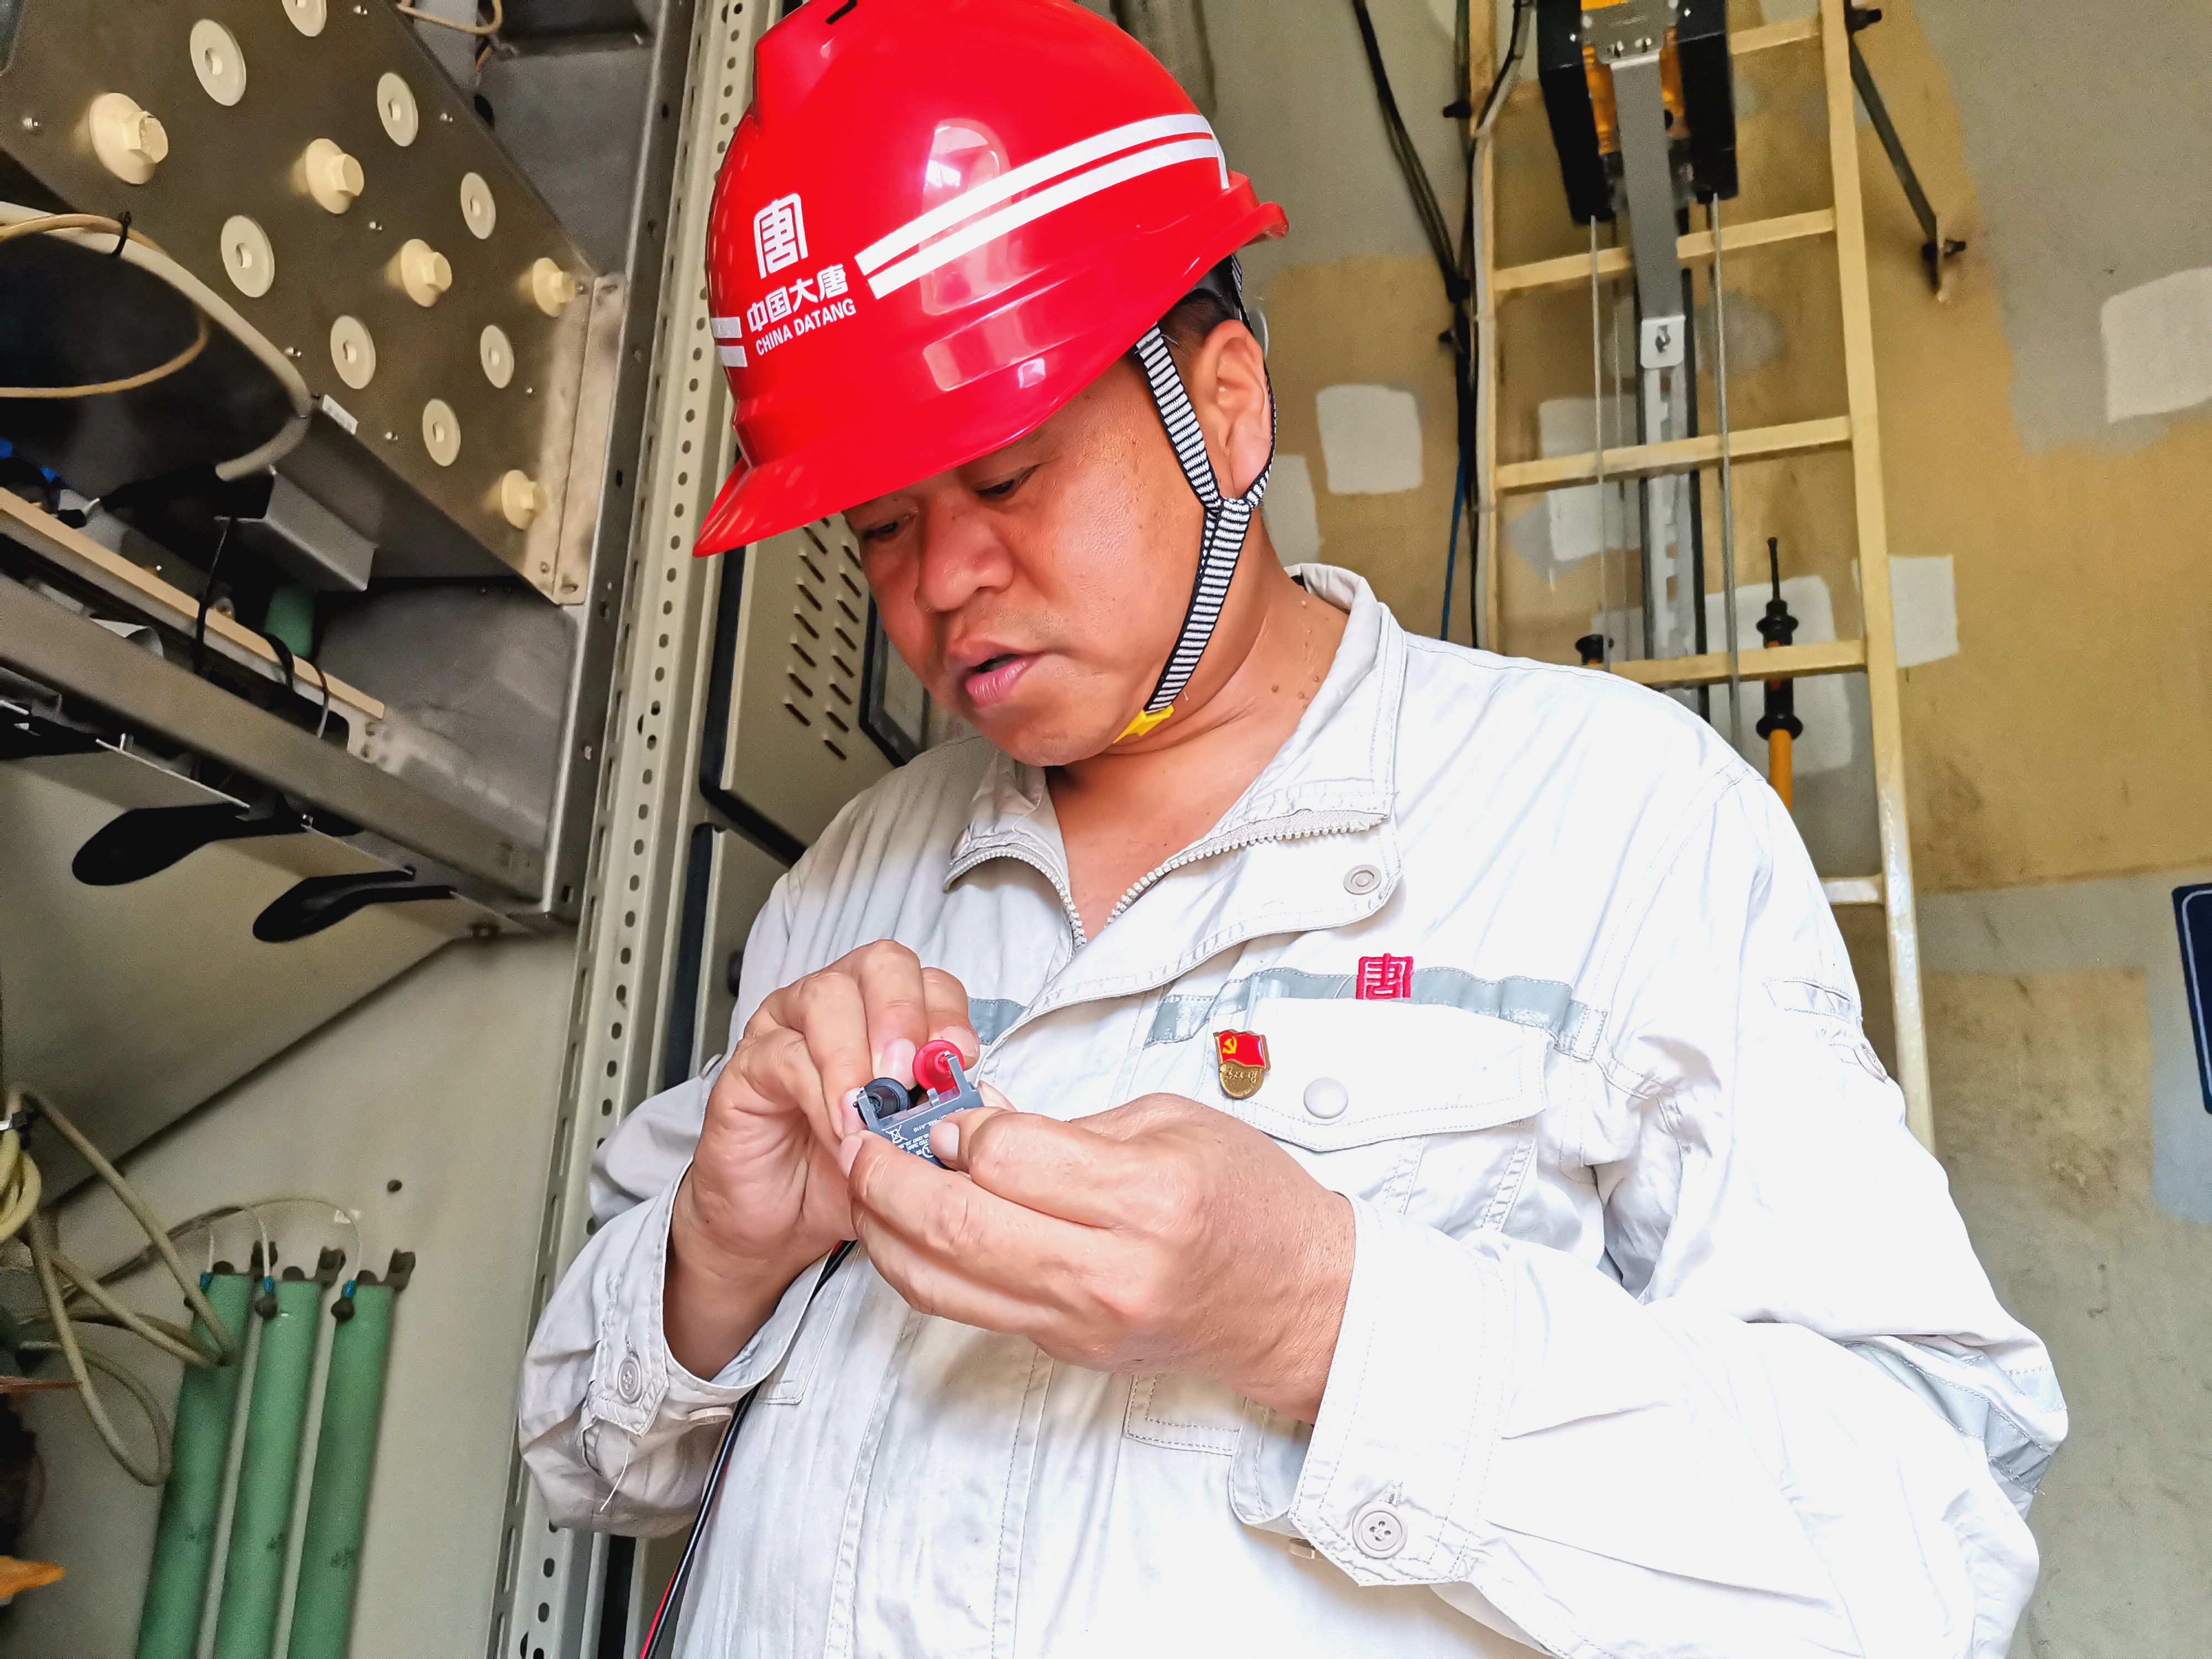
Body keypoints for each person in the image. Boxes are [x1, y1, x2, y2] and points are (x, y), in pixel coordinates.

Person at [519, 2, 2065, 1653]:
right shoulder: (857, 874)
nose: (941, 580)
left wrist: (1323, 1311)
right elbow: (582, 1456)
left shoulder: (1620, 820)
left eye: (1011, 476)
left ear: (1227, 411)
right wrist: (717, 1255)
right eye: (882, 525)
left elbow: (1927, 1540)